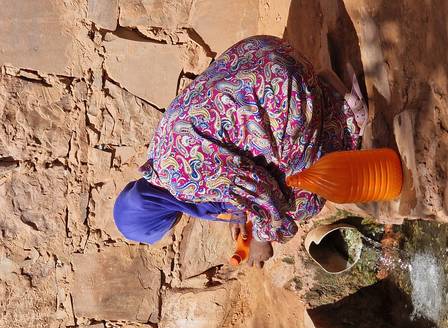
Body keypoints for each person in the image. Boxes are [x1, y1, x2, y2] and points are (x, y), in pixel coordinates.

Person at [113, 35, 367, 267]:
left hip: (284, 87)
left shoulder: (181, 183)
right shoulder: (157, 159)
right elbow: (229, 151)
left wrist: (261, 238)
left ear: (156, 216)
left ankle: (344, 114)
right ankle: (321, 90)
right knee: (273, 176)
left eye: (162, 227)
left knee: (299, 201)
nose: (171, 228)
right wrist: (238, 210)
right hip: (267, 54)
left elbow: (260, 187)